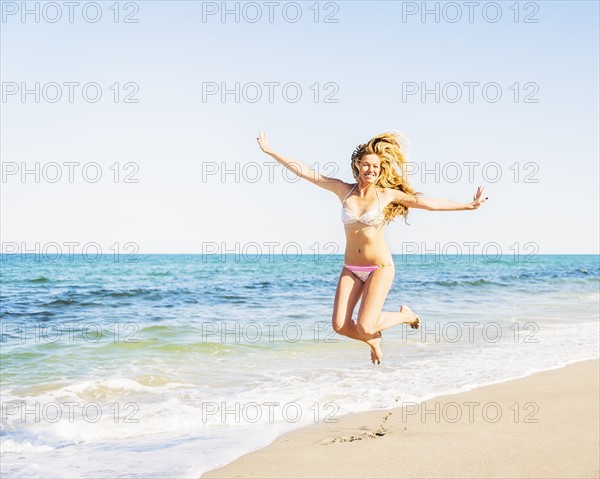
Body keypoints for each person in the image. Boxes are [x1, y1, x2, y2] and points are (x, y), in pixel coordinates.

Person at [256, 130, 488, 364]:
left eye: (376, 167)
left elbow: (428, 204)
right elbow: (306, 173)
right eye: (366, 165)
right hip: (351, 268)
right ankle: (373, 340)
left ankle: (405, 316)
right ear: (358, 165)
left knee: (366, 323)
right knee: (340, 326)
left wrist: (467, 206)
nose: (371, 170)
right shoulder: (343, 190)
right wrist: (271, 151)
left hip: (380, 267)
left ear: (380, 170)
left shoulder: (386, 195)